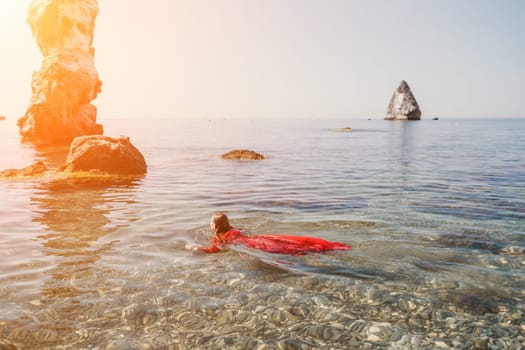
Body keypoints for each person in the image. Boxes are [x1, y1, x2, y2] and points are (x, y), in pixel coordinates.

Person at [198, 213, 351, 255]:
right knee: (291, 243)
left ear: (215, 226)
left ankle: (317, 251)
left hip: (250, 244)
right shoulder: (234, 230)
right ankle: (326, 248)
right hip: (257, 238)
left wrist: (196, 249)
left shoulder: (218, 237)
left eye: (211, 223)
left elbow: (214, 250)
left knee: (288, 249)